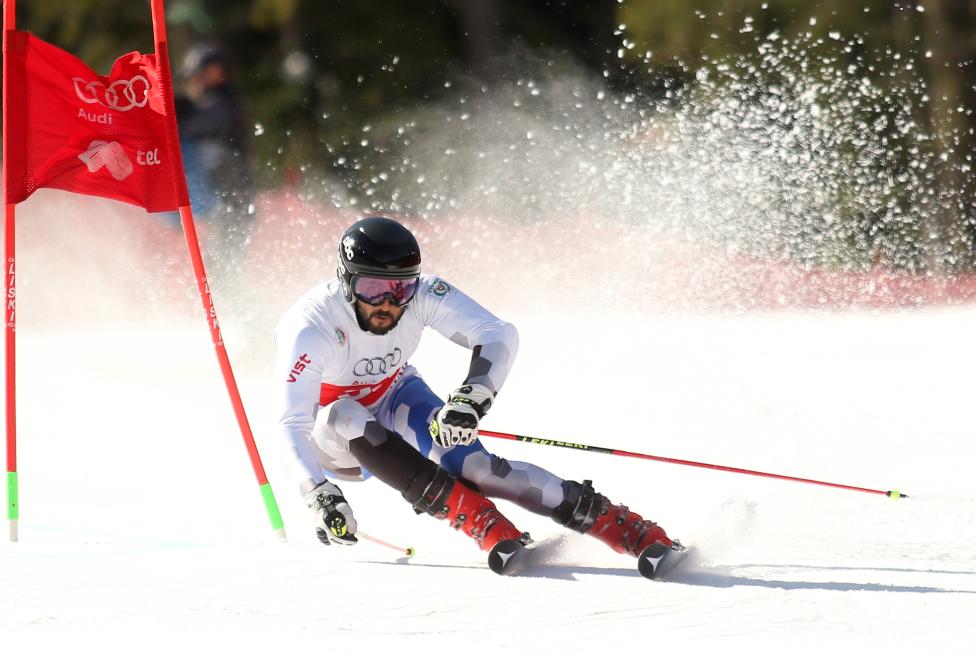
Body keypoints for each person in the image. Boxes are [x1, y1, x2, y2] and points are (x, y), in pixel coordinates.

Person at [273, 216, 677, 573]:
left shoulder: (423, 294)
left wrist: (471, 397)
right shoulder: (311, 326)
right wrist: (318, 494)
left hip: (393, 394)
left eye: (402, 288)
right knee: (344, 413)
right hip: (334, 442)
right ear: (346, 280)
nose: (389, 303)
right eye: (373, 288)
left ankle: (625, 528)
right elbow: (293, 422)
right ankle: (478, 519)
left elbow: (497, 333)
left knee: (477, 468)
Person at [177, 44, 255, 266]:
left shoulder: (223, 102)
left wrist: (175, 113)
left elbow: (190, 126)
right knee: (218, 261)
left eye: (198, 75)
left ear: (216, 71)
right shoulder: (218, 102)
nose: (193, 83)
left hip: (232, 198)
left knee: (222, 263)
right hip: (224, 197)